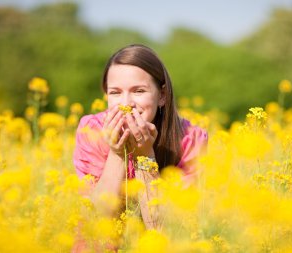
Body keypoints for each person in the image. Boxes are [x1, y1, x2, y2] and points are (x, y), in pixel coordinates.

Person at [73, 44, 208, 230]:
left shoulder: (190, 139)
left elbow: (164, 230)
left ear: (162, 95)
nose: (126, 104)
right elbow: (97, 222)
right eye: (115, 92)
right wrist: (117, 154)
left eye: (139, 91)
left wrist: (145, 156)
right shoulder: (92, 131)